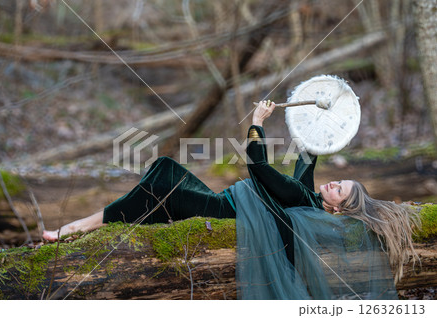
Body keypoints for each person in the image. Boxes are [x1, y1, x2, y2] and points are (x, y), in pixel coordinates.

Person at [43, 100, 420, 299]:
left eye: (340, 189)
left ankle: (82, 225)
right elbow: (308, 153)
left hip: (225, 214)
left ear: (337, 208)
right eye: (338, 180)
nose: (333, 183)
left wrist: (257, 121)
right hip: (226, 201)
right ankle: (118, 218)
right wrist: (320, 119)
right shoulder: (307, 195)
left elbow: (258, 165)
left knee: (160, 186)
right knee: (163, 167)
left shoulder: (300, 199)